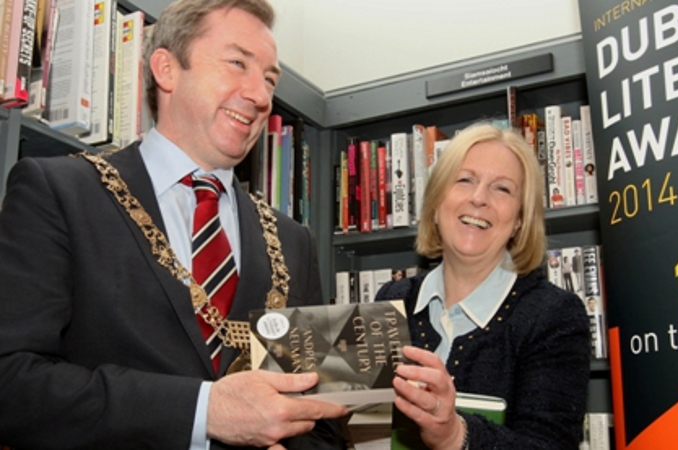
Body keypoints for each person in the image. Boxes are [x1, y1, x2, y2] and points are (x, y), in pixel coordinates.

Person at [0, 0, 349, 448]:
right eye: (237, 63)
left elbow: (321, 417)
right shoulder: (60, 192)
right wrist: (204, 411)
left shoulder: (293, 241)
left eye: (268, 79)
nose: (261, 97)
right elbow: (11, 381)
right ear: (165, 69)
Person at [376, 122, 591, 449]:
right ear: (436, 202)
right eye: (465, 180)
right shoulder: (391, 301)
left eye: (502, 189)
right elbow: (365, 429)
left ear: (519, 219)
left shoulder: (554, 316)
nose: (479, 199)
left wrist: (454, 435)